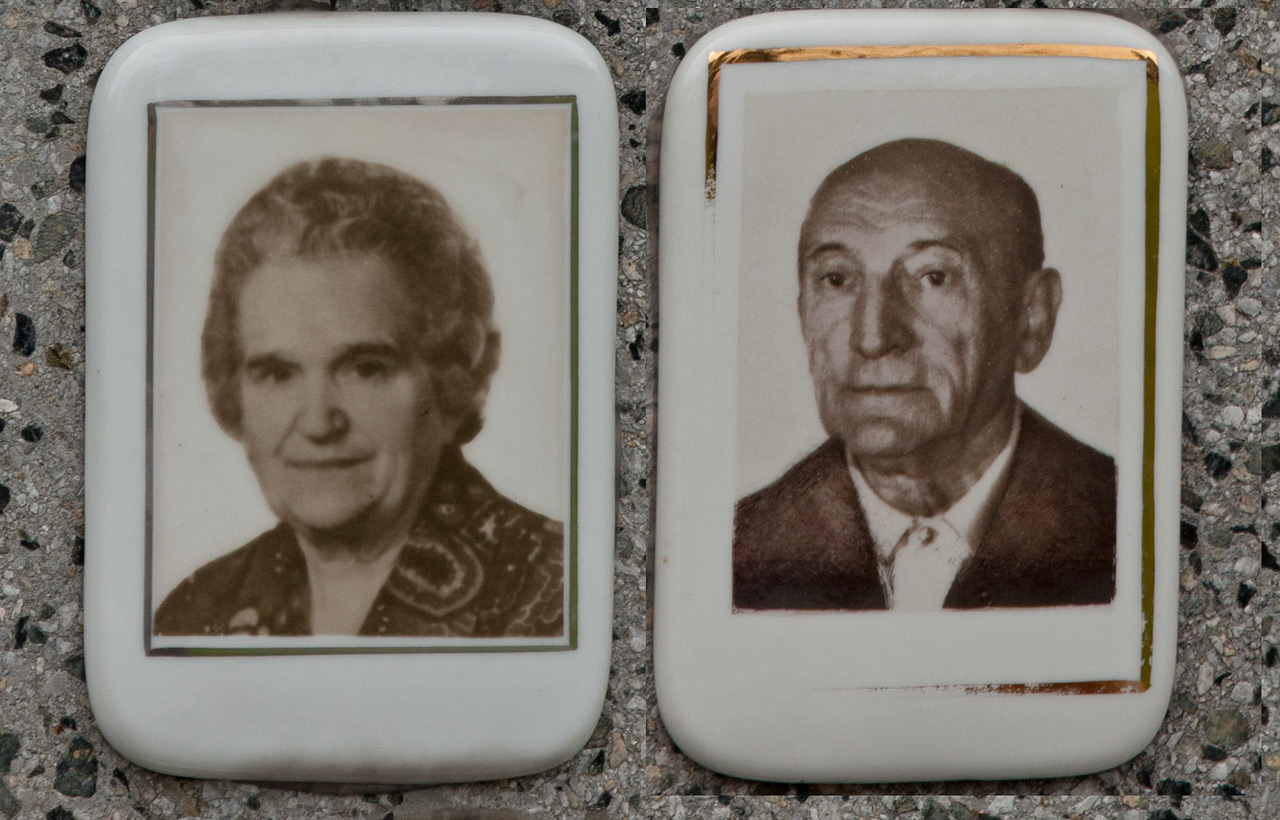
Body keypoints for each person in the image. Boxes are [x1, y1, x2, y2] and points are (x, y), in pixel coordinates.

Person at [154, 158, 564, 638]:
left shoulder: (559, 594)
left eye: (365, 369)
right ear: (232, 390)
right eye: (278, 374)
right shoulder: (195, 612)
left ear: (451, 380)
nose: (318, 423)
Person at [733, 139, 1116, 612]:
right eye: (837, 279)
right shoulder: (736, 554)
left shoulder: (1125, 527)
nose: (872, 337)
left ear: (1031, 317)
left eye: (933, 276)